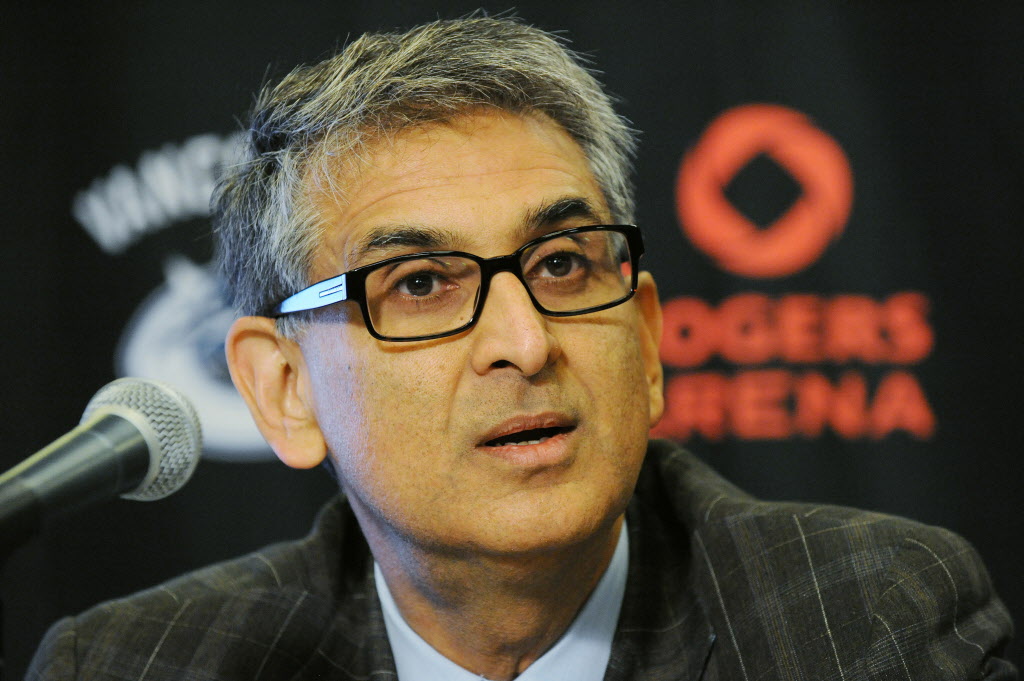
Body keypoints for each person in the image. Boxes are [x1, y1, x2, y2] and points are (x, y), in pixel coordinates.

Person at [29, 15, 1015, 681]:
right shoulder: (138, 664)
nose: (524, 342)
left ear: (644, 333)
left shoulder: (863, 626)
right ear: (281, 389)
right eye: (417, 285)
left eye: (563, 265)